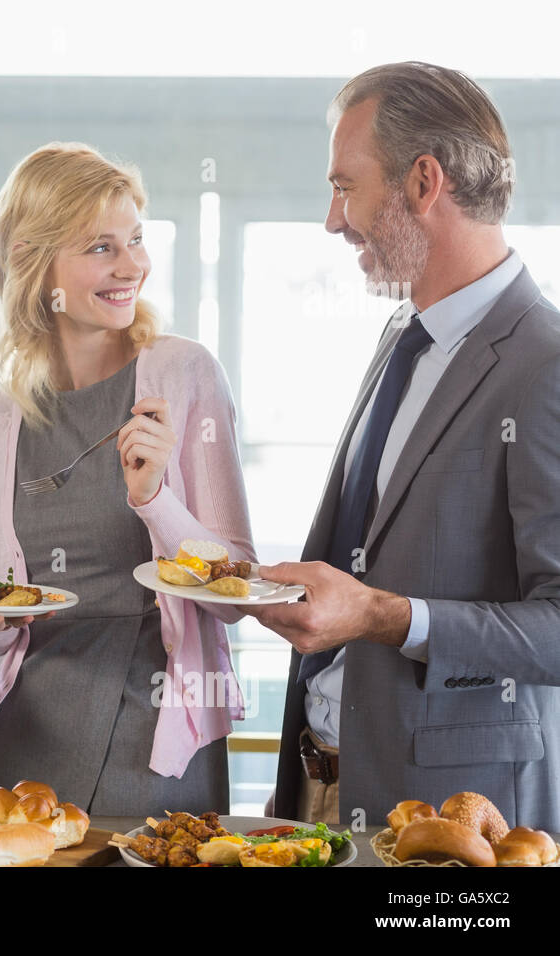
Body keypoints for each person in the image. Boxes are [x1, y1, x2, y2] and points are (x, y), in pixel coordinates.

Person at [250, 62, 560, 830]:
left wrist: (383, 615)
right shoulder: (403, 337)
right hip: (323, 793)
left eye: (345, 186)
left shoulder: (545, 367)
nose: (333, 220)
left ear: (424, 182)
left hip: (451, 823)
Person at [0, 143, 255, 815]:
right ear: (32, 261)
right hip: (25, 746)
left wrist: (154, 500)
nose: (133, 265)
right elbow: (5, 633)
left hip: (155, 744)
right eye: (101, 248)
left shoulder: (184, 373)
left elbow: (236, 593)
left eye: (136, 240)